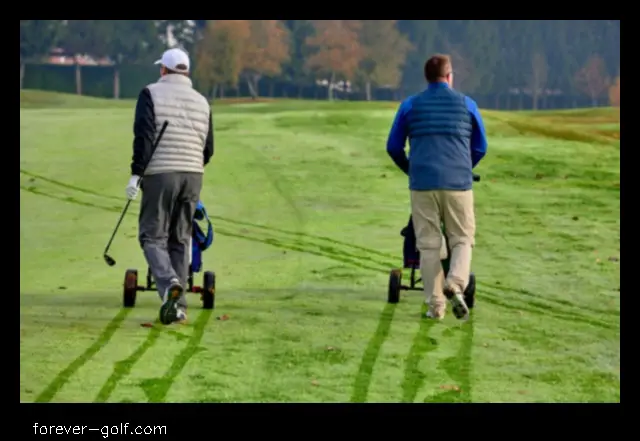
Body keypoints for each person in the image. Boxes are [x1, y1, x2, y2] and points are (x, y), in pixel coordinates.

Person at [385, 54, 487, 321]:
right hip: (458, 185)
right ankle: (455, 283)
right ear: (450, 76)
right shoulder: (467, 104)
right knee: (462, 238)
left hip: (423, 185)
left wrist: (411, 169)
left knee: (428, 245)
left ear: (427, 77)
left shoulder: (410, 105)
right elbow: (480, 147)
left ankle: (436, 308)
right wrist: (466, 167)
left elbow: (393, 147)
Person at [125, 47, 214, 325]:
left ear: (163, 69)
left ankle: (169, 283)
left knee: (152, 236)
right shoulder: (202, 101)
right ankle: (178, 307)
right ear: (185, 71)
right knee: (180, 238)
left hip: (160, 173)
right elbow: (208, 149)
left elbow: (144, 137)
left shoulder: (149, 93)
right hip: (193, 174)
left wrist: (136, 174)